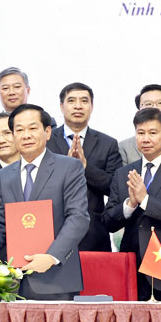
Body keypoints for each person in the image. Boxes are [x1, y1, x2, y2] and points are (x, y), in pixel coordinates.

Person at [0, 105, 90, 300]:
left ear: (47, 132)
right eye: (19, 130)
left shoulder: (69, 167)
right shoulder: (4, 175)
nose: (26, 135)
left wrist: (52, 257)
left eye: (33, 128)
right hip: (12, 282)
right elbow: (0, 224)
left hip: (56, 280)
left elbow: (78, 218)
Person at [102, 108, 161, 301]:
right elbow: (108, 221)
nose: (146, 139)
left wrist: (146, 201)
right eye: (141, 133)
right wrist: (130, 204)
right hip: (133, 270)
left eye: (153, 133)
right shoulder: (124, 174)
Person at [46, 83, 121, 252]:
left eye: (84, 101)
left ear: (91, 107)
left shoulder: (107, 143)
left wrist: (85, 168)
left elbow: (114, 187)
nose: (78, 106)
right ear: (61, 106)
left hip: (93, 233)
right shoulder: (46, 141)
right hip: (51, 230)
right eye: (71, 100)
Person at [0, 67, 55, 155]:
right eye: (5, 88)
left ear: (28, 90)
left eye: (17, 87)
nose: (11, 92)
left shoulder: (45, 121)